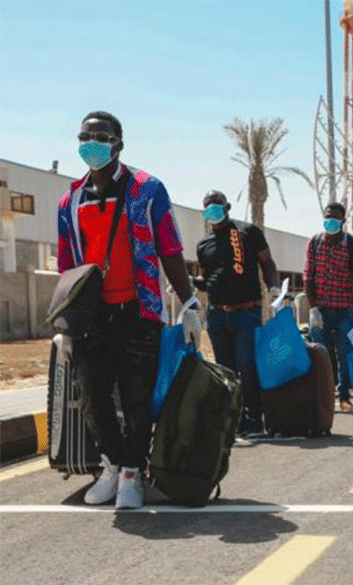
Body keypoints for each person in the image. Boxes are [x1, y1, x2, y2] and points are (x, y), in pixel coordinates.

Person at [57, 111, 200, 509]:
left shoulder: (147, 190)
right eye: (85, 136)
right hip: (92, 317)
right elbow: (67, 265)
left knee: (137, 399)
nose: (92, 144)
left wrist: (188, 302)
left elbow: (170, 249)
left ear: (119, 144)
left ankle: (133, 474)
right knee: (94, 398)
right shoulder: (70, 201)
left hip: (139, 311)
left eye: (100, 137)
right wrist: (66, 326)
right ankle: (112, 464)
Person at [195, 191, 280, 436]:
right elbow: (206, 277)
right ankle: (233, 419)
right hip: (218, 314)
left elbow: (267, 262)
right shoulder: (203, 243)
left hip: (247, 312)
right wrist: (191, 283)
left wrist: (273, 288)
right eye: (207, 206)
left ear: (228, 206)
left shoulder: (247, 232)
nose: (212, 210)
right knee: (224, 370)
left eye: (216, 205)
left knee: (246, 364)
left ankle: (254, 419)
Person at [304, 202, 353, 412]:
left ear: (342, 221)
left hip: (346, 311)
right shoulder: (315, 243)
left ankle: (344, 398)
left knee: (346, 353)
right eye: (327, 216)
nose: (330, 220)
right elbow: (308, 277)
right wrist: (313, 309)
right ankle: (322, 398)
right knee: (321, 355)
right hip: (321, 309)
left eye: (335, 218)